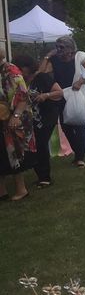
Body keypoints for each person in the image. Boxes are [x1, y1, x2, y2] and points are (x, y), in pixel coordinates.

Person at [39, 36, 85, 168]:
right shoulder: (54, 59)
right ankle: (78, 152)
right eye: (57, 47)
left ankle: (79, 157)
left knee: (79, 123)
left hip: (78, 93)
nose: (59, 50)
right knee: (65, 125)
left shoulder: (80, 57)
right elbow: (41, 73)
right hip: (62, 94)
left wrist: (81, 81)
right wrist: (48, 56)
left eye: (62, 47)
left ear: (71, 49)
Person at [12, 54, 62, 188]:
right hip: (29, 120)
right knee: (34, 146)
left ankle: (45, 177)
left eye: (21, 68)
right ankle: (40, 175)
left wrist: (46, 95)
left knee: (40, 144)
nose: (20, 71)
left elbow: (59, 92)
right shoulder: (19, 81)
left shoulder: (42, 78)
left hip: (45, 117)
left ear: (28, 67)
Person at [0, 51, 36, 201]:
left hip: (14, 118)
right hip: (2, 117)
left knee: (14, 153)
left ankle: (22, 189)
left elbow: (23, 95)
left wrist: (16, 116)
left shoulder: (11, 70)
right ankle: (2, 192)